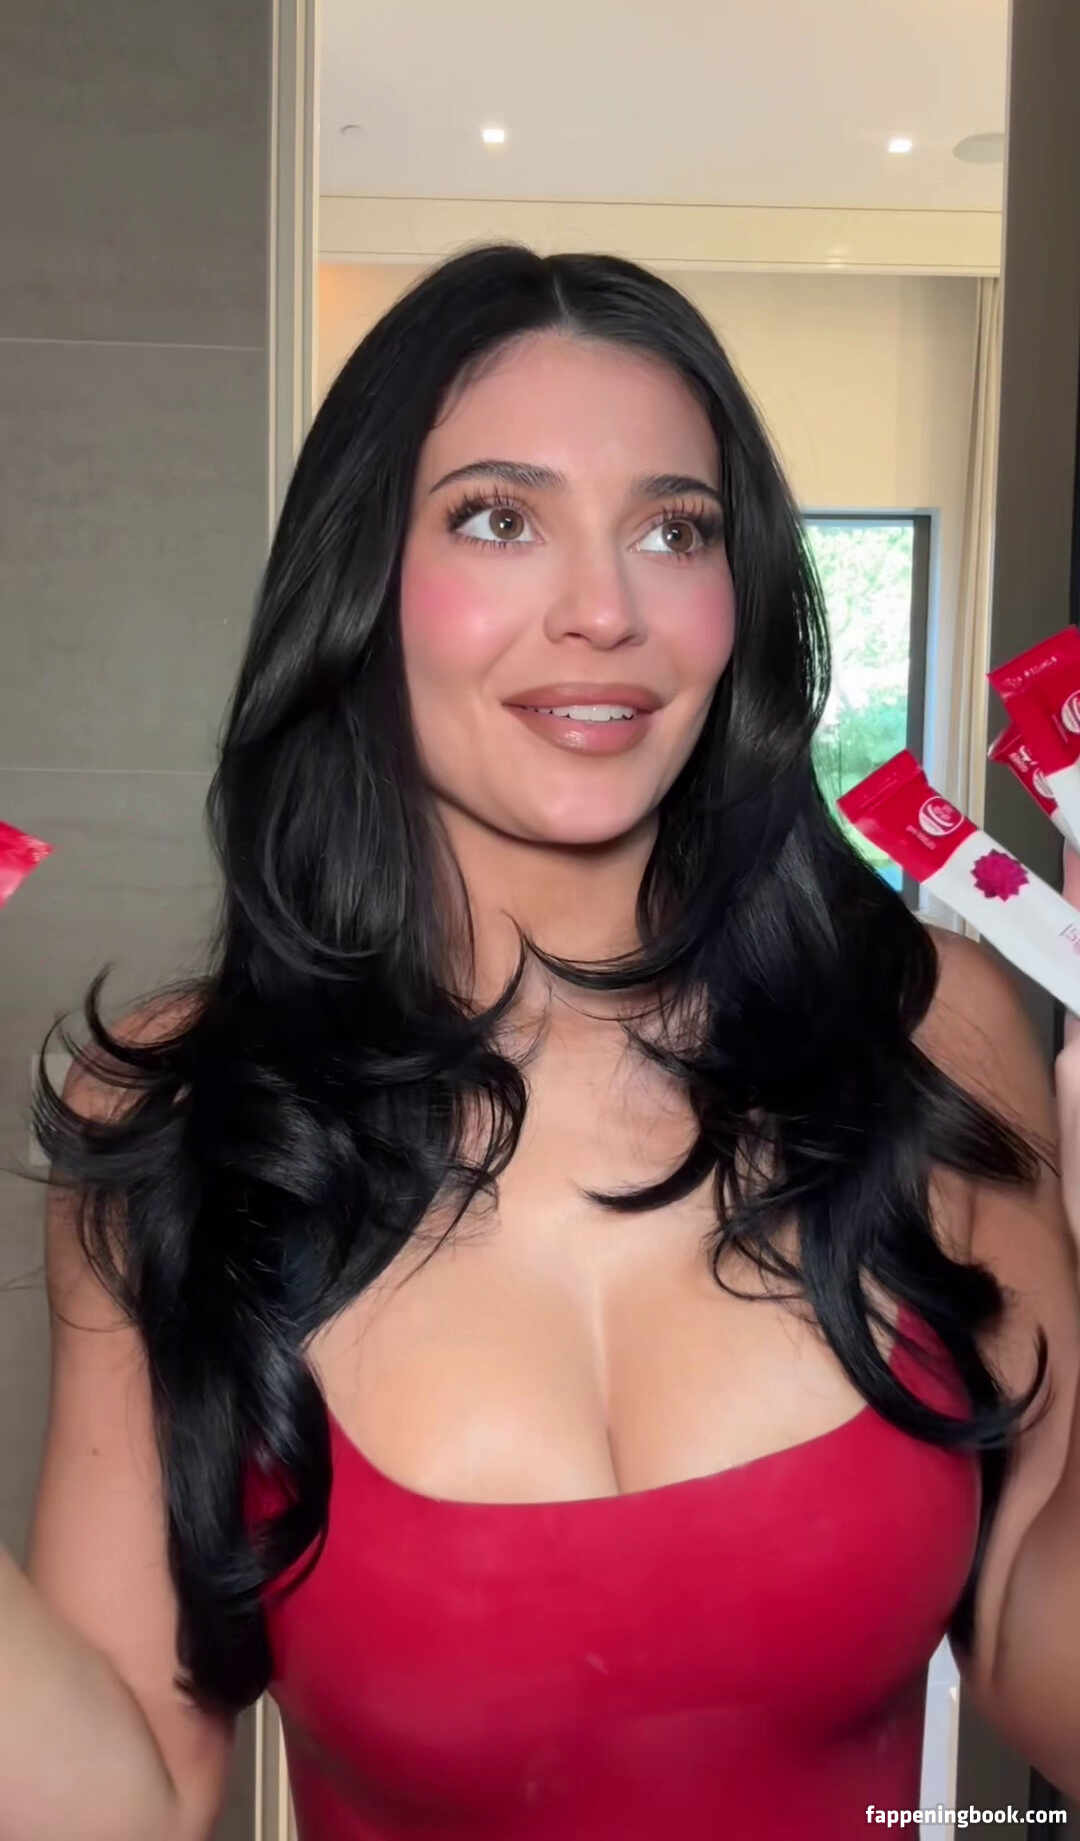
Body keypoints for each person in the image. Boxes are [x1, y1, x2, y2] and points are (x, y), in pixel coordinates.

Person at [4, 244, 1080, 1841]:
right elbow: (125, 1801)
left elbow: (1048, 1668)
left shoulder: (930, 1031)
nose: (605, 611)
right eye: (499, 519)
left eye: (674, 528)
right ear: (362, 580)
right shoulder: (180, 1120)